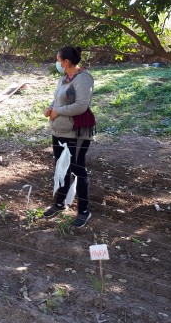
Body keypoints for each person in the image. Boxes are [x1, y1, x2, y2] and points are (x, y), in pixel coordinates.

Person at [43, 46, 95, 228]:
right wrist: (50, 108)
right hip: (59, 132)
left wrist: (58, 111)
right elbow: (58, 99)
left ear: (66, 62)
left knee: (77, 169)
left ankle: (83, 211)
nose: (56, 63)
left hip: (77, 133)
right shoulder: (64, 79)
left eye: (58, 60)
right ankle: (59, 203)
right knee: (61, 167)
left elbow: (81, 106)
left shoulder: (83, 79)